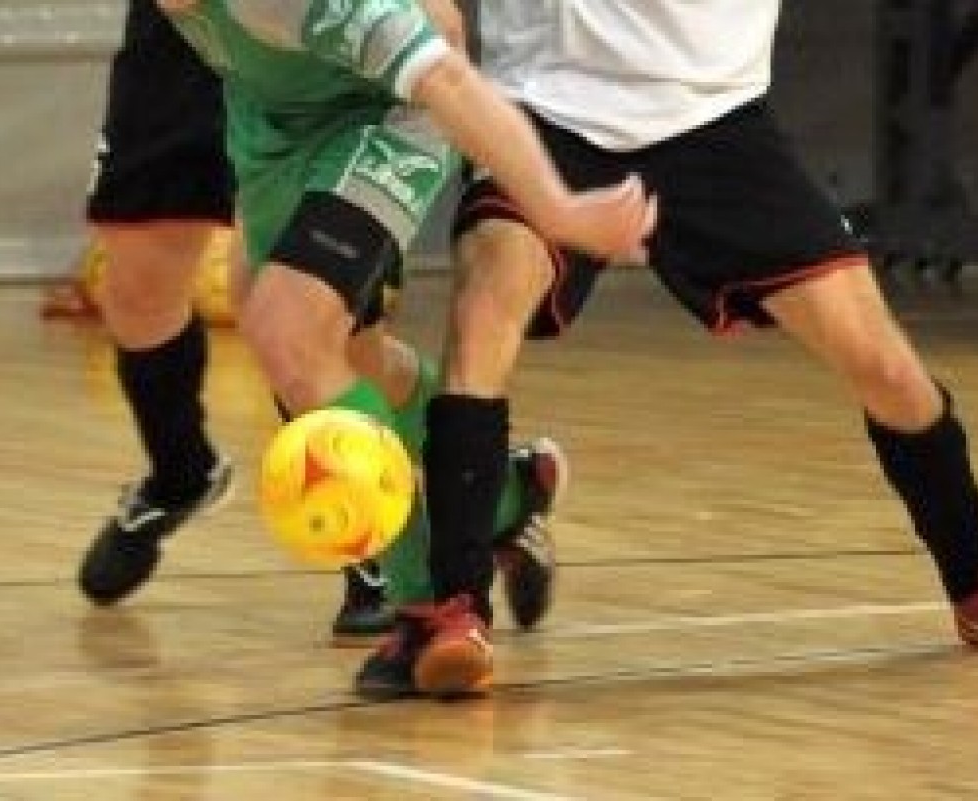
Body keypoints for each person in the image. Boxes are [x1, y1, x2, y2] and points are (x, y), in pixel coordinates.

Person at [359, 0, 978, 696]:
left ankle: (975, 577)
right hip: (545, 111)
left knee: (885, 367)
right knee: (484, 309)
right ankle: (454, 608)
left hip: (717, 120)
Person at [157, 0, 656, 696]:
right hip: (276, 127)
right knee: (341, 361)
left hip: (387, 116)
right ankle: (509, 494)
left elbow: (446, 76)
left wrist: (557, 209)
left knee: (288, 330)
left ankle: (429, 609)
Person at [75, 0, 569, 647]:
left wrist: (561, 208)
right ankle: (496, 491)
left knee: (298, 330)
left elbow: (440, 62)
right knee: (278, 326)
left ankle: (415, 590)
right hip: (258, 92)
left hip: (368, 91)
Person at [75, 0, 393, 641]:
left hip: (308, 37)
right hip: (182, 34)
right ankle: (180, 473)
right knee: (134, 290)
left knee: (310, 320)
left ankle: (376, 541)